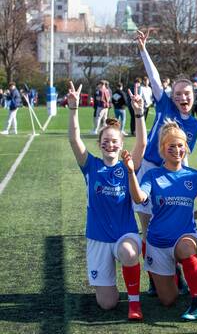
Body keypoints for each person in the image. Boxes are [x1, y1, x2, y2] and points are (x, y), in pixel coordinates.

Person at [67, 81, 147, 320]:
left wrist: (139, 113)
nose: (110, 144)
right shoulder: (91, 165)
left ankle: (134, 303)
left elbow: (142, 143)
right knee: (107, 304)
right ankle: (112, 288)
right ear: (100, 144)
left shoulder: (127, 165)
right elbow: (74, 140)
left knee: (129, 252)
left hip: (125, 233)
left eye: (115, 141)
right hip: (97, 238)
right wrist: (73, 109)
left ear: (121, 145)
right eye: (106, 141)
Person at [125, 121, 197, 320]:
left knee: (186, 249)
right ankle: (173, 272)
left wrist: (193, 215)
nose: (177, 150)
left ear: (186, 148)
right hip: (157, 241)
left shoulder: (194, 176)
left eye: (180, 145)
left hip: (185, 236)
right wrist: (132, 172)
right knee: (168, 300)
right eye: (171, 146)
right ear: (162, 149)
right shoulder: (153, 175)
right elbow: (139, 197)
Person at [135, 29, 197, 295]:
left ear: (193, 96)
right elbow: (152, 77)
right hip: (148, 170)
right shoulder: (164, 105)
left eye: (187, 94)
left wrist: (189, 183)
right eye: (178, 94)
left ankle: (178, 275)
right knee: (149, 228)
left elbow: (184, 155)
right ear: (172, 95)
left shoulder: (194, 124)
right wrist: (143, 48)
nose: (183, 98)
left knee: (172, 225)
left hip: (172, 175)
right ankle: (155, 276)